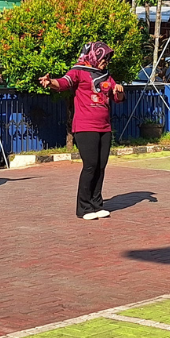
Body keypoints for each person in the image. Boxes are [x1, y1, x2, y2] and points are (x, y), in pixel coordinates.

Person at [41, 41, 125, 220]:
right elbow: (64, 82)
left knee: (101, 166)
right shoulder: (78, 70)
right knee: (90, 165)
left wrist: (119, 91)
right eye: (103, 58)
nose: (106, 62)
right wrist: (50, 82)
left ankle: (97, 204)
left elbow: (117, 98)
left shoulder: (106, 75)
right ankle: (84, 208)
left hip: (104, 126)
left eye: (108, 59)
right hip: (85, 126)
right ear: (93, 56)